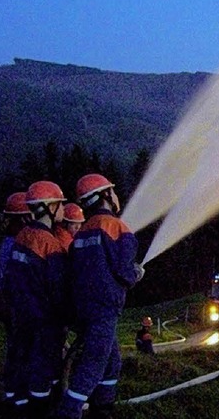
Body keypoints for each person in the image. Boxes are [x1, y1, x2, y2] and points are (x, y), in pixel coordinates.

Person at [56, 174, 144, 419]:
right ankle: (68, 412)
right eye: (112, 191)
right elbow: (124, 272)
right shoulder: (116, 227)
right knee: (92, 365)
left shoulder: (82, 232)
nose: (116, 196)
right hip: (104, 309)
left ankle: (102, 408)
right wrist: (137, 272)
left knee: (112, 361)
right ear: (106, 196)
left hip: (83, 308)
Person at [3, 182, 68, 419]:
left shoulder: (23, 236)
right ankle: (39, 408)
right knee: (43, 364)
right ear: (49, 207)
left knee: (21, 357)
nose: (63, 210)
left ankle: (16, 403)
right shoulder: (49, 243)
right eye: (60, 204)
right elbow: (58, 288)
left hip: (21, 313)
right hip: (44, 318)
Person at [0, 191, 33, 416]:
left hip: (11, 306)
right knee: (24, 352)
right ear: (25, 218)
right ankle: (20, 400)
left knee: (17, 351)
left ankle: (13, 395)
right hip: (17, 308)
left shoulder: (8, 243)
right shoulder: (16, 244)